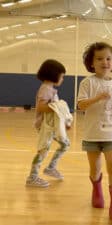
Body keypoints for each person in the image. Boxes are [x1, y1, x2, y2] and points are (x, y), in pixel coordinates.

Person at [77, 42, 112, 222]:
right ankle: (96, 189)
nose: (105, 62)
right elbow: (81, 105)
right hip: (93, 134)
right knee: (95, 170)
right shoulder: (87, 82)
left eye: (109, 58)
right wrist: (97, 97)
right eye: (100, 58)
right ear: (91, 62)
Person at [26, 59, 70, 188]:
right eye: (62, 76)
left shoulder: (49, 88)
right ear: (53, 74)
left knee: (65, 144)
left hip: (51, 126)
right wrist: (59, 106)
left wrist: (64, 121)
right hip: (45, 126)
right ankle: (32, 177)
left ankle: (51, 167)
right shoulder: (45, 89)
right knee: (43, 150)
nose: (62, 79)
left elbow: (56, 111)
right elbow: (41, 108)